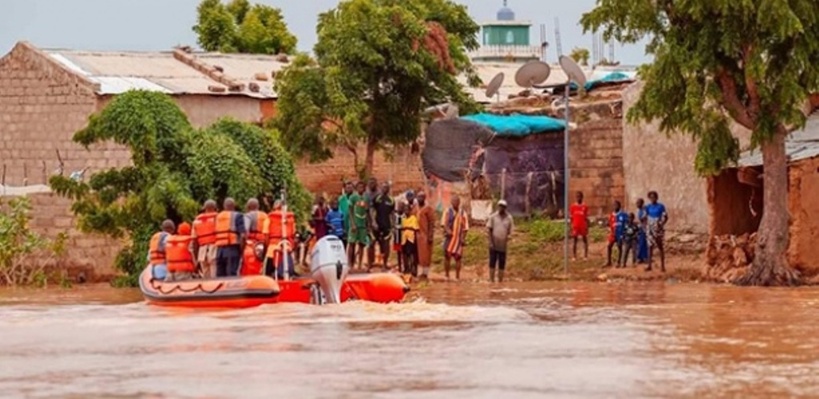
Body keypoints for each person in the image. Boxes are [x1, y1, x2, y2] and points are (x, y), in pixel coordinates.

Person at [265, 200, 297, 279]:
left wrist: (266, 247)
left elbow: (266, 234)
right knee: (289, 270)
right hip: (287, 246)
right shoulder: (290, 218)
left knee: (268, 272)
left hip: (272, 248)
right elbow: (293, 234)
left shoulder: (269, 218)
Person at [215, 198, 246, 277]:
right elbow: (243, 235)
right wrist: (241, 249)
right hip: (232, 249)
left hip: (219, 251)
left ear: (224, 206)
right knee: (231, 275)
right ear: (234, 205)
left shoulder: (218, 216)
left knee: (220, 275)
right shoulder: (237, 216)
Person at [442, 196, 469, 280]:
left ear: (459, 202)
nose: (455, 203)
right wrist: (447, 230)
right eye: (453, 201)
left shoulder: (463, 213)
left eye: (457, 201)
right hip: (449, 238)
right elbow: (443, 223)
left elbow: (466, 228)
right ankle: (447, 275)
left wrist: (463, 238)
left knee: (458, 257)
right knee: (447, 256)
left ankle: (457, 277)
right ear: (451, 202)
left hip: (458, 238)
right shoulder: (447, 211)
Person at [487, 199, 514, 283]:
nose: (500, 208)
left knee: (501, 264)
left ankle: (500, 281)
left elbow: (511, 230)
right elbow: (489, 230)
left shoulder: (509, 218)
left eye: (502, 206)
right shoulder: (493, 217)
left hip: (503, 245)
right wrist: (491, 242)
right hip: (493, 244)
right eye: (499, 206)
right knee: (492, 262)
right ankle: (491, 280)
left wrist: (509, 237)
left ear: (505, 208)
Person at [371, 182, 395, 271]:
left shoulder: (391, 200)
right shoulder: (377, 198)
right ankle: (371, 264)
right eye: (383, 187)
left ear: (388, 189)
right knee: (372, 243)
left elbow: (392, 213)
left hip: (387, 225)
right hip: (377, 225)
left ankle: (384, 264)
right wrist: (373, 222)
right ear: (381, 188)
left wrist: (393, 225)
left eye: (386, 188)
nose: (385, 189)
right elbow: (372, 210)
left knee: (386, 245)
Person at [191, 200, 218, 278]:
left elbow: (194, 242)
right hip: (214, 250)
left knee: (206, 279)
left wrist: (196, 260)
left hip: (202, 252)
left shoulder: (196, 221)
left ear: (204, 209)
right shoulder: (217, 219)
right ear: (215, 208)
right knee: (215, 277)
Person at [348, 181, 370, 271]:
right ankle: (350, 264)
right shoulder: (353, 197)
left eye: (362, 187)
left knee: (362, 244)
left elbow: (367, 211)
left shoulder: (366, 198)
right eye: (359, 187)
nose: (361, 188)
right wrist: (353, 223)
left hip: (363, 224)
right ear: (356, 188)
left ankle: (360, 264)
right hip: (355, 224)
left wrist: (368, 224)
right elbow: (350, 210)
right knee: (352, 243)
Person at [645, 191, 669, 272]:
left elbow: (665, 217)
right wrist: (646, 225)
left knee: (660, 246)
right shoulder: (648, 207)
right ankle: (649, 265)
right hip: (650, 227)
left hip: (658, 227)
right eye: (651, 197)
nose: (652, 199)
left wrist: (660, 224)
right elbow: (645, 216)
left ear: (656, 198)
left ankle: (662, 266)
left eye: (654, 197)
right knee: (650, 246)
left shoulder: (661, 206)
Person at [416, 191, 436, 279]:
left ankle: (425, 273)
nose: (419, 199)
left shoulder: (428, 209)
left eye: (421, 197)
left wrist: (430, 235)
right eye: (418, 197)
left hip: (425, 234)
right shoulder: (415, 208)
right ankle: (419, 272)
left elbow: (432, 222)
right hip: (417, 234)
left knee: (426, 254)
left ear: (424, 198)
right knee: (419, 254)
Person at [604, 200, 628, 268]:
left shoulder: (623, 214)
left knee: (619, 247)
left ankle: (619, 262)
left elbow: (626, 222)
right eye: (614, 205)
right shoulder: (612, 215)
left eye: (616, 205)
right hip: (613, 233)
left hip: (620, 234)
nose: (615, 207)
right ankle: (609, 261)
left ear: (619, 206)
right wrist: (608, 225)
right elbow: (610, 223)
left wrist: (624, 232)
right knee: (609, 246)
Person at [570, 191, 590, 261]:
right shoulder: (573, 207)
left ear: (582, 197)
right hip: (575, 226)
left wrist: (587, 226)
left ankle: (585, 256)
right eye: (577, 197)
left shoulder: (585, 207)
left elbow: (586, 217)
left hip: (583, 226)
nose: (578, 198)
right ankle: (574, 256)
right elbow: (571, 217)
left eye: (579, 197)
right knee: (575, 240)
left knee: (585, 240)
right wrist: (571, 226)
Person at [401, 204, 420, 277]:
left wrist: (406, 227)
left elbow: (415, 228)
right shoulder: (403, 219)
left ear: (410, 210)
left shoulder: (413, 218)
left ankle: (413, 268)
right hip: (404, 239)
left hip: (411, 239)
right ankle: (406, 268)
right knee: (405, 254)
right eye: (405, 210)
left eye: (407, 210)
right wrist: (407, 227)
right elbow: (401, 228)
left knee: (412, 254)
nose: (406, 211)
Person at [365, 177, 379, 269]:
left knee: (381, 242)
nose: (371, 185)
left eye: (373, 183)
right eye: (370, 183)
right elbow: (367, 210)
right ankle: (370, 262)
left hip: (379, 221)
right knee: (370, 243)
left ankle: (379, 262)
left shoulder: (379, 195)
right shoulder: (366, 196)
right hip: (369, 222)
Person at [393, 202, 407, 273]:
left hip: (404, 237)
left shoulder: (405, 216)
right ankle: (399, 267)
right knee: (398, 252)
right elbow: (393, 225)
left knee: (404, 252)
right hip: (397, 237)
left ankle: (405, 266)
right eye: (399, 207)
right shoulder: (395, 216)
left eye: (401, 207)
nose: (400, 209)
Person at [635, 198, 649, 264]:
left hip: (645, 228)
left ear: (642, 203)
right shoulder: (638, 210)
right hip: (640, 228)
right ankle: (640, 258)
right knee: (640, 243)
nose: (637, 204)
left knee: (644, 243)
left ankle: (644, 257)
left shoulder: (645, 210)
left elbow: (643, 218)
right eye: (637, 203)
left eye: (638, 203)